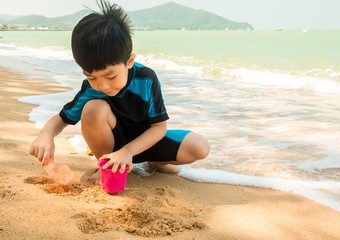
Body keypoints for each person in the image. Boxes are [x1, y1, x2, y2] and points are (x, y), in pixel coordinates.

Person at [29, 0, 210, 183]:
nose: (103, 86)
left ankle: (156, 162)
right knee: (93, 109)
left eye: (111, 76)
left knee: (200, 147)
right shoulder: (91, 90)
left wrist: (128, 152)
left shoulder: (146, 79)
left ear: (129, 61)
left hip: (143, 143)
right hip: (112, 147)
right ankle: (106, 165)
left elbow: (159, 128)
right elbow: (61, 120)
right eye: (92, 77)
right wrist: (46, 135)